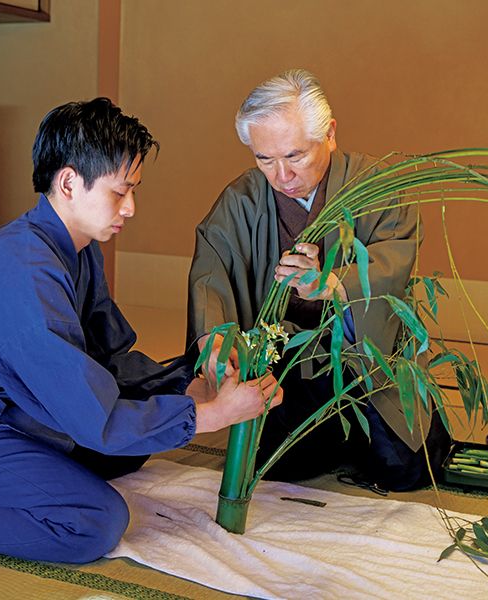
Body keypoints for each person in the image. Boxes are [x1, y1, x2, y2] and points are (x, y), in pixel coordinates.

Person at [0, 97, 282, 563]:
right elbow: (86, 408)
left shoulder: (77, 249)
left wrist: (192, 384)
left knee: (124, 452)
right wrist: (206, 417)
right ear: (68, 182)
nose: (131, 207)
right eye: (120, 192)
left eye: (134, 190)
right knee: (93, 521)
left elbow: (109, 359)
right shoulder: (22, 267)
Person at [187, 69, 450, 491]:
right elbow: (211, 271)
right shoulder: (241, 200)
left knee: (408, 471)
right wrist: (211, 340)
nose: (281, 175)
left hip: (362, 360)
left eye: (294, 156)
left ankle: (360, 431)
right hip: (287, 364)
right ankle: (330, 436)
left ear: (329, 134)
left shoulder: (376, 188)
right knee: (278, 467)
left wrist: (334, 283)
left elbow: (392, 260)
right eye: (264, 159)